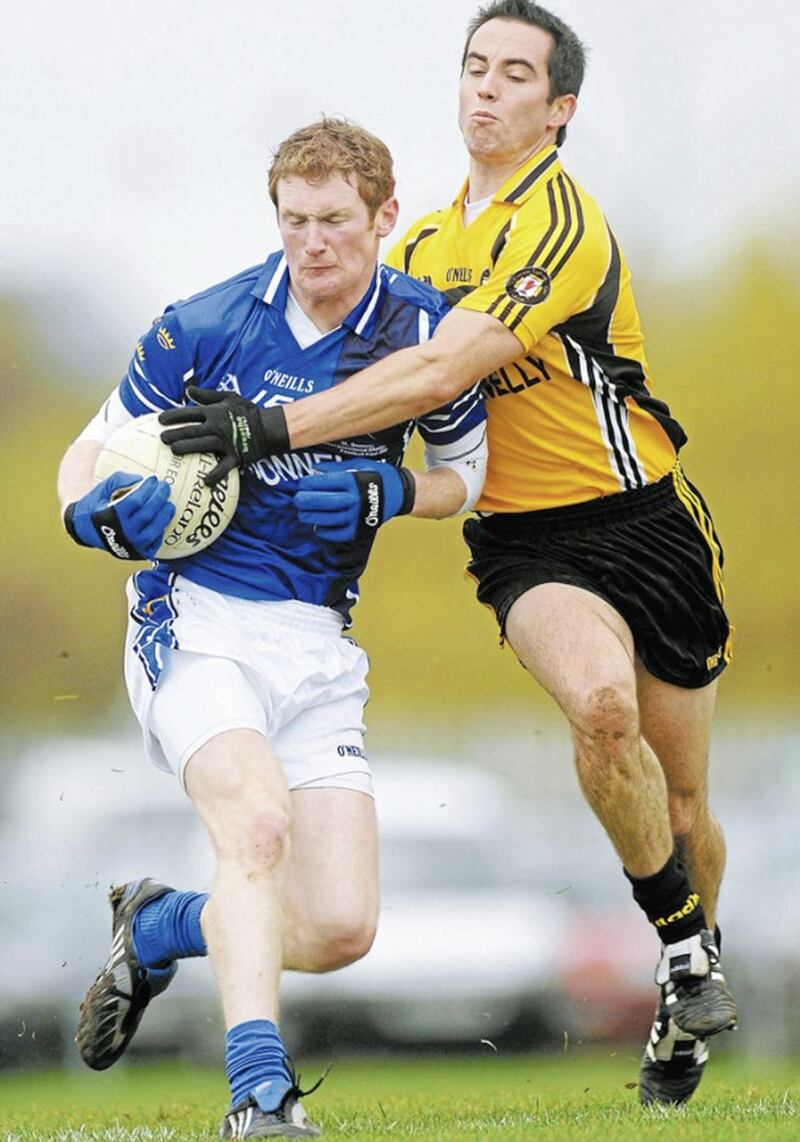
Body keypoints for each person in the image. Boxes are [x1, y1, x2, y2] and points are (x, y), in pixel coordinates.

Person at [159, 1, 737, 1109]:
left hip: (646, 522)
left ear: (557, 108)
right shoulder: (418, 243)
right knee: (598, 705)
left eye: (513, 73)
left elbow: (433, 377)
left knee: (684, 807)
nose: (483, 88)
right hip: (528, 544)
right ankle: (678, 947)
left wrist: (269, 429)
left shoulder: (562, 226)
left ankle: (685, 972)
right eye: (473, 66)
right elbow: (325, 323)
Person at [57, 117, 487, 1139]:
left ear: (386, 216)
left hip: (316, 641)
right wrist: (90, 514)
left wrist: (394, 490)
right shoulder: (204, 324)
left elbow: (468, 480)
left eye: (335, 220)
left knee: (339, 927)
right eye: (293, 221)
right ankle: (259, 1094)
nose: (312, 244)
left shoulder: (429, 334)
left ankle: (161, 924)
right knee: (253, 825)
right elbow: (88, 452)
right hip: (194, 615)